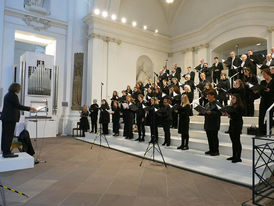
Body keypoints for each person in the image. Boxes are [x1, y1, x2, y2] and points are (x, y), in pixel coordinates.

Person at [1, 83, 37, 158]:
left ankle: (5, 151)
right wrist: (30, 108)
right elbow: (18, 106)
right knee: (8, 136)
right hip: (9, 119)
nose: (20, 90)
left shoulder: (9, 94)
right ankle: (6, 152)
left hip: (7, 119)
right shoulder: (13, 96)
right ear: (16, 88)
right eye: (19, 88)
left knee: (6, 135)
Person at [223, 94, 244, 163]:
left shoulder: (240, 106)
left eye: (234, 98)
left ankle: (238, 157)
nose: (232, 99)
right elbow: (232, 115)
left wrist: (230, 114)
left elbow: (237, 115)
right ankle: (234, 155)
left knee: (237, 140)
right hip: (232, 124)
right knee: (233, 141)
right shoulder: (232, 106)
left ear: (237, 99)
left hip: (237, 124)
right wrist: (227, 114)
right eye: (232, 98)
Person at [254, 69, 274, 135]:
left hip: (271, 100)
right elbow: (261, 92)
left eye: (265, 74)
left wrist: (270, 91)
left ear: (268, 74)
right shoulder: (262, 82)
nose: (264, 76)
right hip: (263, 100)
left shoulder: (273, 81)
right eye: (263, 75)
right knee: (261, 116)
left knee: (270, 116)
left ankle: (267, 130)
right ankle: (260, 131)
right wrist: (258, 91)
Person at [204, 90, 221, 156]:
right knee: (209, 137)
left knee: (214, 138)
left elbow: (219, 113)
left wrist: (211, 112)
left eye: (208, 96)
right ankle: (211, 149)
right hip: (208, 123)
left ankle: (216, 151)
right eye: (207, 96)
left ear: (213, 96)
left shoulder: (217, 103)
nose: (207, 97)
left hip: (214, 123)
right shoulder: (207, 104)